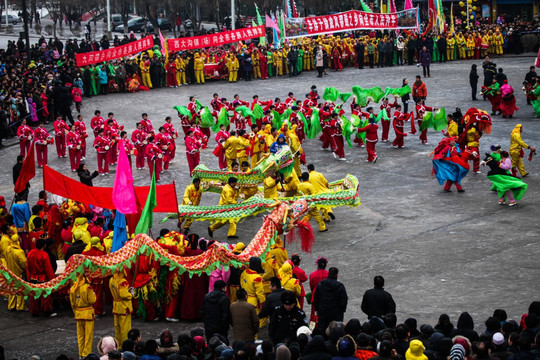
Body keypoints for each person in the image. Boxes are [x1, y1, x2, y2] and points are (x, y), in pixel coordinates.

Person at [312, 267, 348, 333]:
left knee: (322, 331)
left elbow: (316, 298)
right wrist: (341, 311)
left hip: (323, 313)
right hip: (336, 314)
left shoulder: (320, 285)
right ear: (337, 275)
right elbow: (344, 300)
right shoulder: (340, 286)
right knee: (336, 332)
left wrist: (317, 310)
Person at [27, 238, 56, 316]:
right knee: (45, 295)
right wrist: (52, 279)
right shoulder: (44, 254)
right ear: (44, 245)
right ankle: (47, 311)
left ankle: (34, 311)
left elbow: (27, 266)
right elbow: (48, 268)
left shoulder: (30, 253)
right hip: (43, 278)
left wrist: (28, 277)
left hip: (33, 277)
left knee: (34, 295)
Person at [70, 273, 97, 359]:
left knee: (80, 336)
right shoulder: (87, 287)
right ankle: (86, 354)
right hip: (88, 314)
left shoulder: (73, 288)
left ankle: (81, 353)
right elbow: (92, 300)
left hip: (78, 314)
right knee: (88, 336)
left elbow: (72, 303)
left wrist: (76, 312)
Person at [109, 270, 133, 345]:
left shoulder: (111, 279)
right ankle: (125, 345)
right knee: (124, 329)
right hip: (124, 306)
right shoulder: (122, 281)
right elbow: (123, 294)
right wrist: (131, 294)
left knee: (117, 328)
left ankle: (118, 345)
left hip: (116, 306)